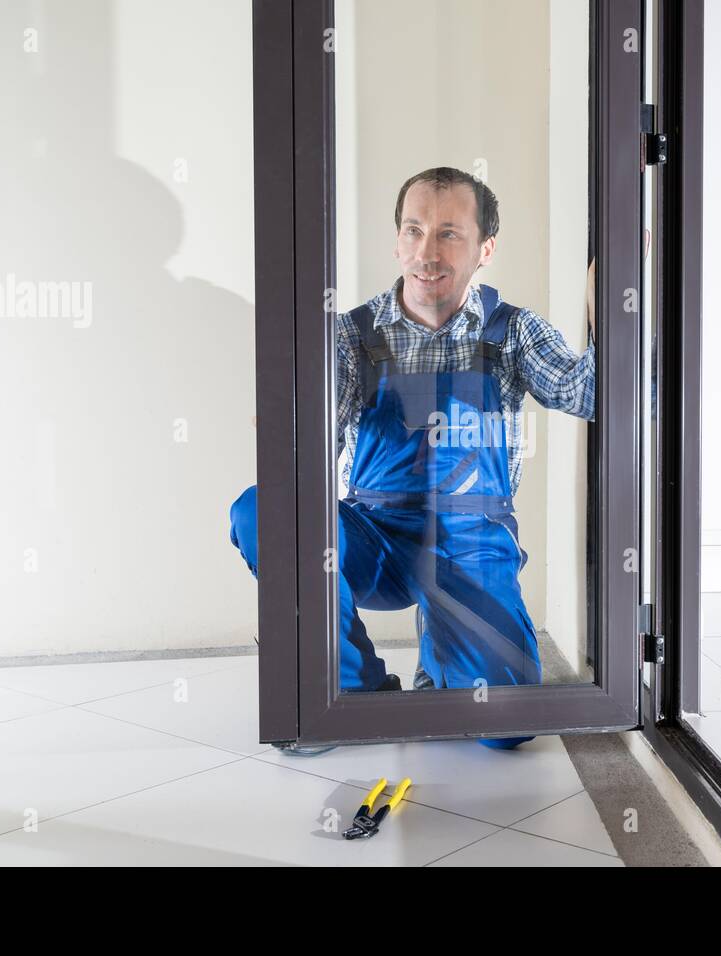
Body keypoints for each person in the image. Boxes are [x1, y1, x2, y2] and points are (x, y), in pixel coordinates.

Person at [230, 166, 596, 750]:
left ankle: (446, 644)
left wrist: (616, 314)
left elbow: (590, 394)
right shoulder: (349, 335)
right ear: (398, 240)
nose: (428, 251)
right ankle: (352, 693)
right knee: (262, 511)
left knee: (507, 727)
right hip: (377, 535)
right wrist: (288, 417)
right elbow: (306, 438)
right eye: (414, 230)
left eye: (450, 233)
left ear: (485, 249)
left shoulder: (512, 333)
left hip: (470, 540)